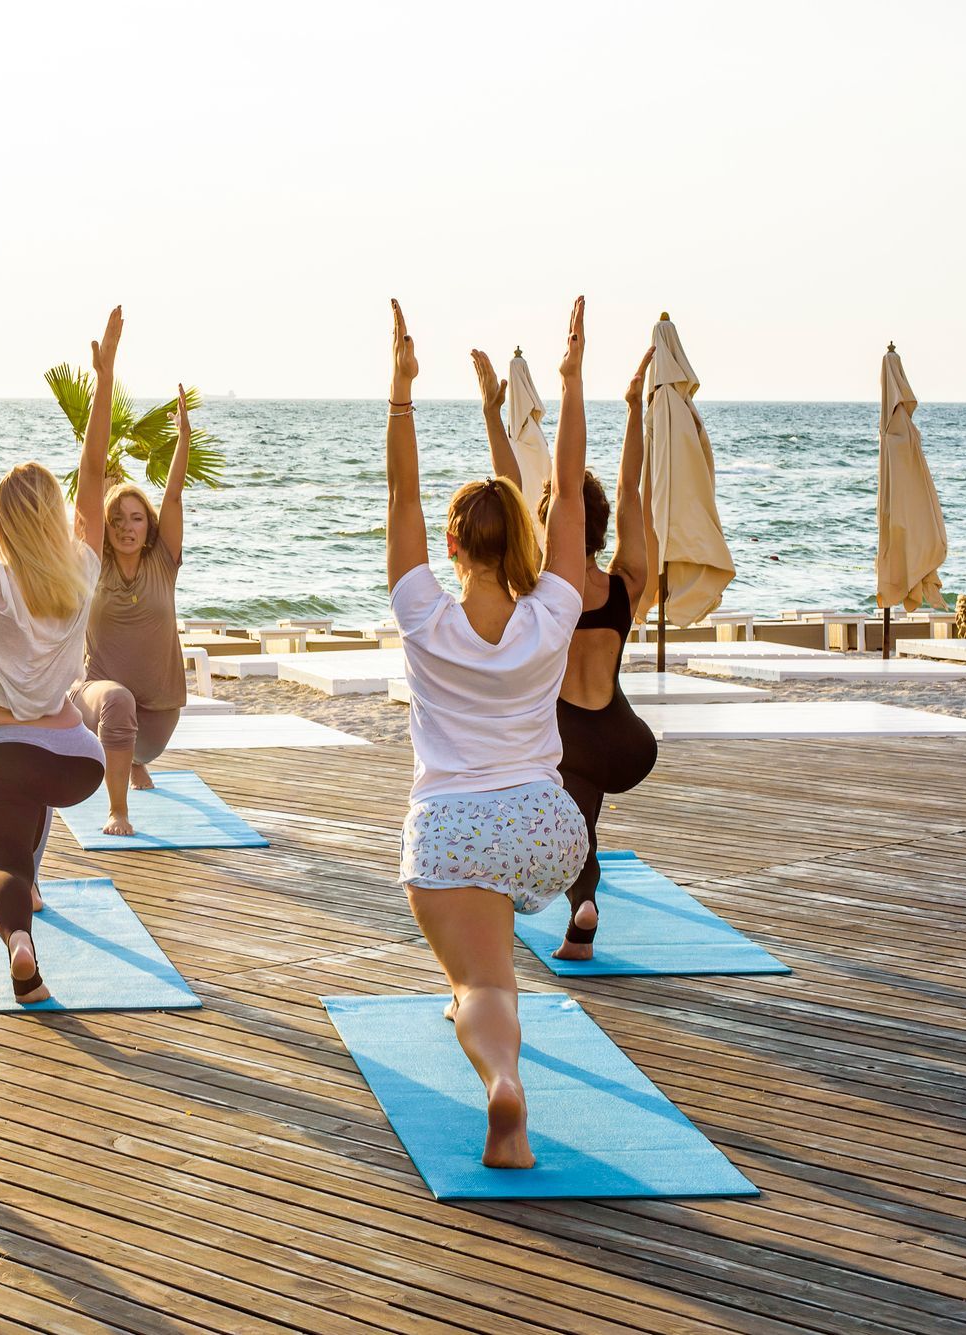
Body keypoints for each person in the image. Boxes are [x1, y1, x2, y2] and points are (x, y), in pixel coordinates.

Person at [386, 296, 592, 1169]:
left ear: (450, 545)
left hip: (457, 823)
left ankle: (502, 1080)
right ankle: (479, 989)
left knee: (482, 983)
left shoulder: (424, 614)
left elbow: (399, 487)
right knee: (489, 922)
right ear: (527, 538)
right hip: (550, 829)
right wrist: (574, 380)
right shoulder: (553, 610)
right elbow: (573, 489)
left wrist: (401, 391)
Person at [0, 308, 113, 1004]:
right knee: (33, 803)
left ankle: (19, 938)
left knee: (1, 863)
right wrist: (103, 381)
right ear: (56, 515)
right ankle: (34, 953)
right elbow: (96, 471)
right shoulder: (82, 573)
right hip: (77, 762)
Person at [475, 345, 660, 960]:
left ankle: (581, 909)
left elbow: (506, 493)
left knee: (576, 828)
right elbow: (633, 486)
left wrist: (491, 412)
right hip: (629, 740)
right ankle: (578, 908)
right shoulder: (628, 582)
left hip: (569, 738)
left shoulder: (536, 590)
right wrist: (634, 410)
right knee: (584, 817)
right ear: (602, 530)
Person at [68, 385, 195, 836]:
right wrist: (104, 379)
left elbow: (175, 495)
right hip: (96, 699)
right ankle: (118, 810)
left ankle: (136, 761)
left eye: (136, 517)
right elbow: (88, 477)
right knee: (117, 701)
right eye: (117, 519)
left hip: (159, 714)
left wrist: (183, 438)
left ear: (149, 525)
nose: (126, 527)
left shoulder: (164, 562)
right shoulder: (92, 564)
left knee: (136, 736)